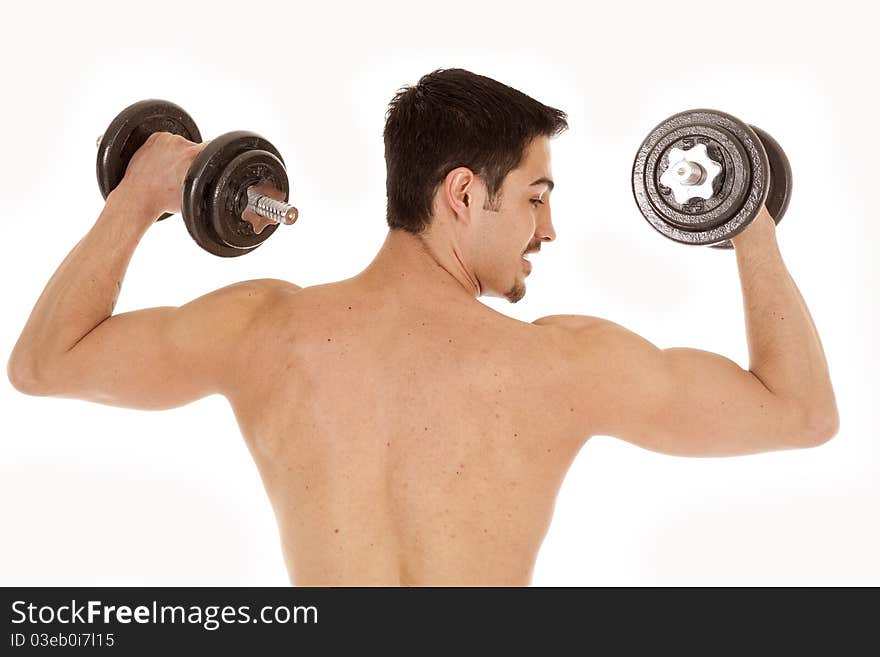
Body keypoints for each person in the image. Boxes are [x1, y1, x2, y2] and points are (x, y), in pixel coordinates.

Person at [7, 69, 839, 586]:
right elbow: (800, 412)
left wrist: (143, 190)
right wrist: (747, 218)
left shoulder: (264, 329)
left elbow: (44, 363)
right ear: (464, 194)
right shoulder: (563, 363)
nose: (546, 232)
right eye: (537, 199)